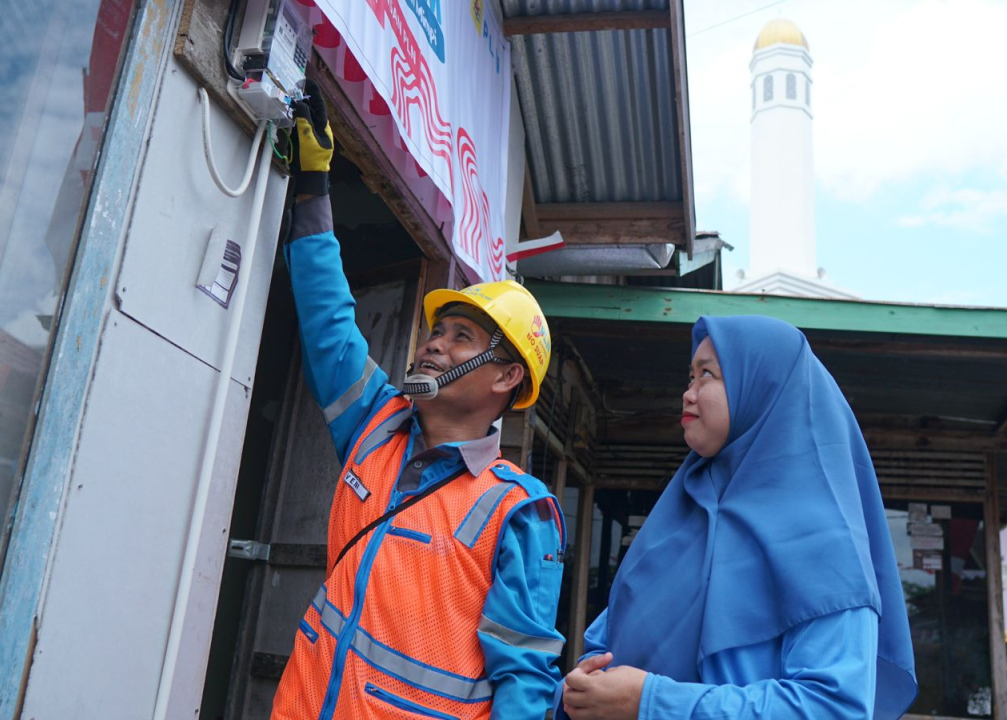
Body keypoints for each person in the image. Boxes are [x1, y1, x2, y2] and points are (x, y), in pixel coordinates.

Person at [270, 80, 567, 719]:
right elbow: (329, 324)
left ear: (505, 378)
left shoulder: (518, 510)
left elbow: (525, 679)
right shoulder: (374, 425)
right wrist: (314, 186)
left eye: (462, 338)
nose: (434, 344)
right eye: (437, 330)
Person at [560, 315, 917, 719]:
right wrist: (575, 694)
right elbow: (602, 653)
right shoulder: (675, 522)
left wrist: (651, 702)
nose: (688, 394)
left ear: (763, 386)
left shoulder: (827, 545)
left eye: (707, 375)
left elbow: (833, 708)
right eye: (689, 377)